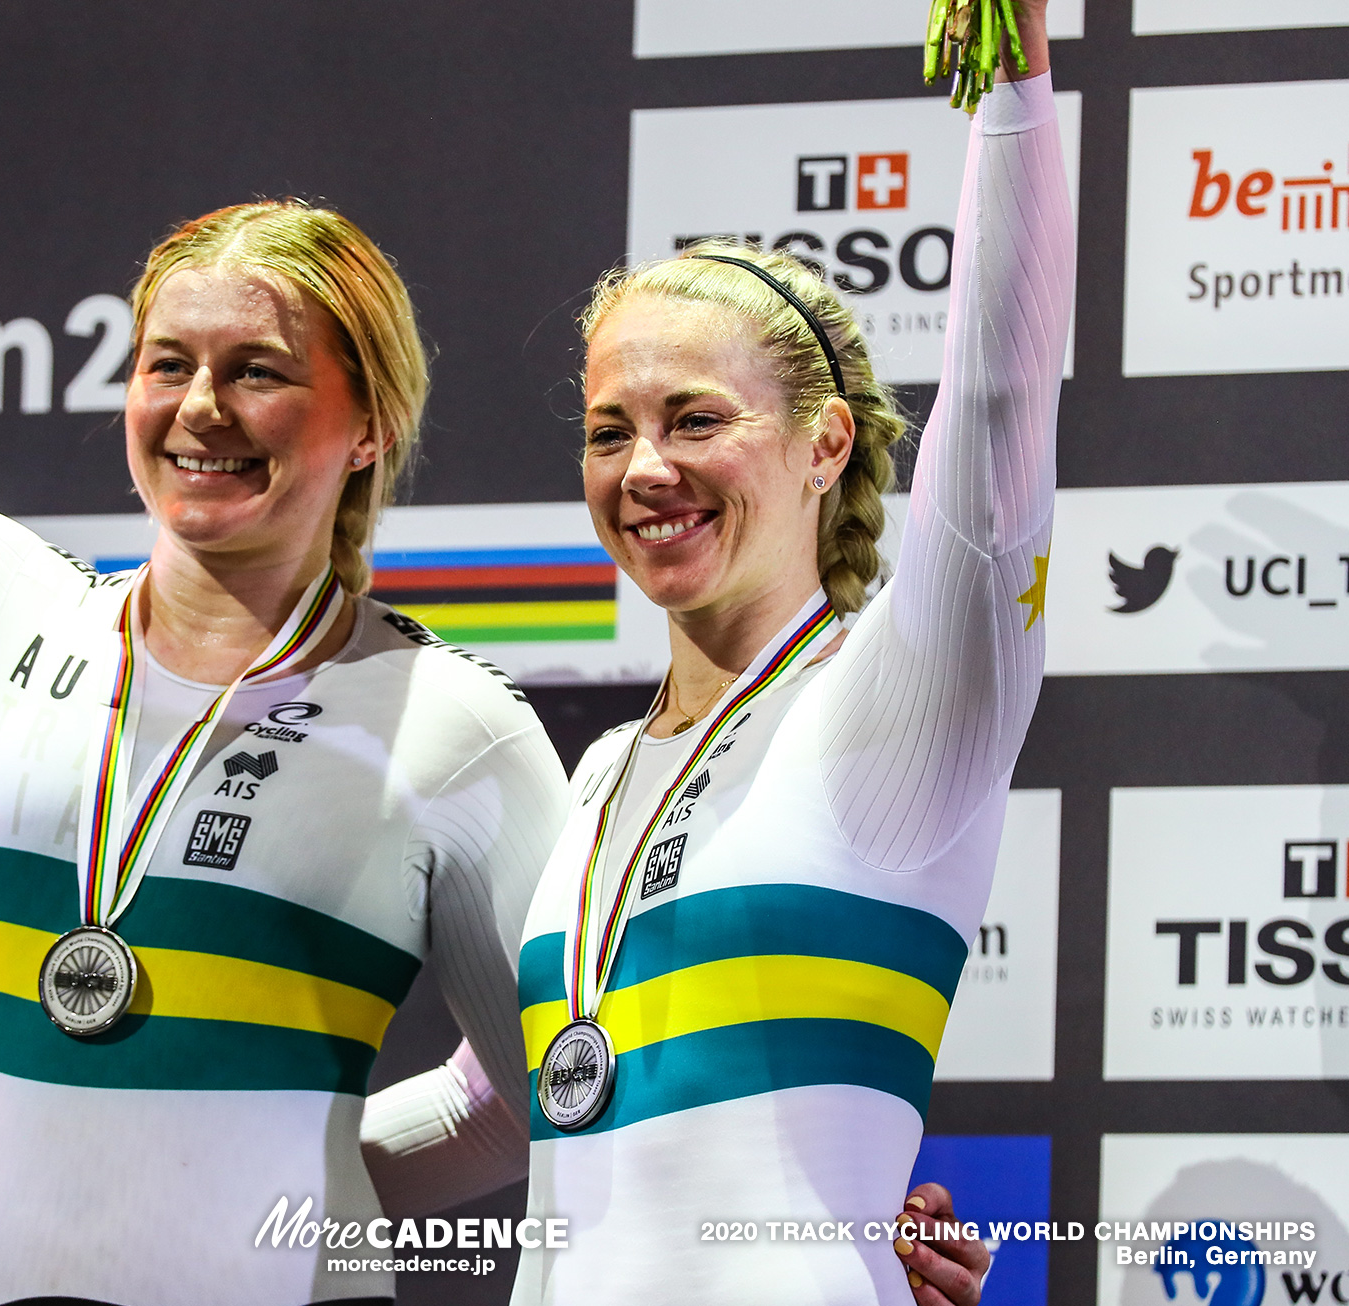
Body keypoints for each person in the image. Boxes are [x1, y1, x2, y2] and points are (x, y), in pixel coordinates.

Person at [0, 4, 995, 1303]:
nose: (200, 408)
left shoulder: (454, 729)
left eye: (259, 372)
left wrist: (836, 1227)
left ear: (364, 423)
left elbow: (566, 1094)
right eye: (166, 362)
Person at [504, 1, 1071, 1300]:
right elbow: (497, 1114)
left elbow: (1000, 404)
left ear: (826, 445)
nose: (646, 468)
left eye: (695, 417)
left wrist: (1018, 81)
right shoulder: (594, 783)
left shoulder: (900, 704)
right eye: (609, 429)